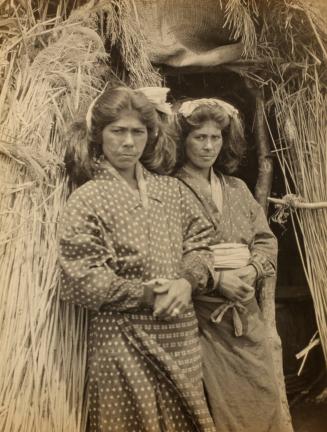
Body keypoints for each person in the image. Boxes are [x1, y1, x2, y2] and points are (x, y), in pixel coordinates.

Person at [58, 86, 217, 432]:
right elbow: (81, 279)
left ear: (150, 135)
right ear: (99, 136)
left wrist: (185, 282)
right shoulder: (87, 200)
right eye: (118, 131)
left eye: (137, 132)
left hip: (179, 337)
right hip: (121, 341)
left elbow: (202, 243)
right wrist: (147, 294)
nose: (128, 142)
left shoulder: (170, 190)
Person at [174, 98, 282, 432]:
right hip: (200, 318)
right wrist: (218, 280)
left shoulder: (237, 188)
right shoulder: (169, 189)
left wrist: (251, 271)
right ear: (183, 141)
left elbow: (265, 240)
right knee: (215, 409)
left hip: (245, 314)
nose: (208, 146)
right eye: (199, 137)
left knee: (262, 393)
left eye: (216, 137)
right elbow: (165, 251)